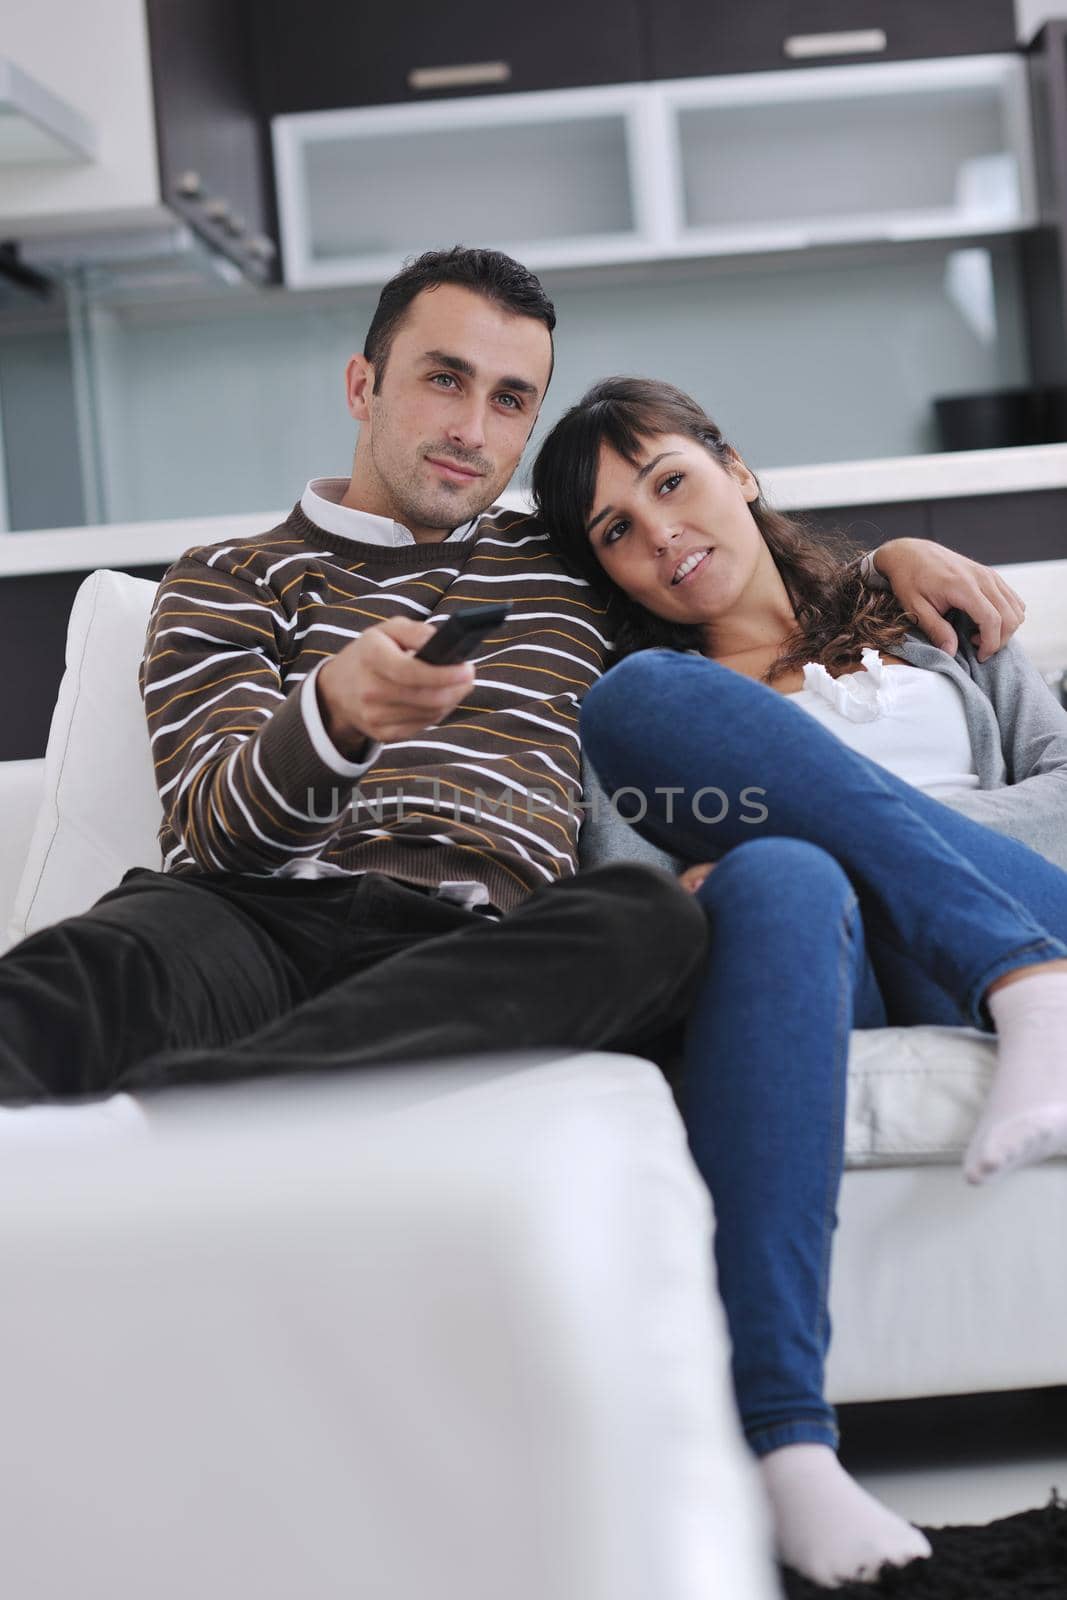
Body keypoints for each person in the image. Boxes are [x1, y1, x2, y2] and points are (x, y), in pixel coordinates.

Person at [0, 251, 1007, 1106]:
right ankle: (262, 1093)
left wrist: (880, 567)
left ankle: (213, 1101)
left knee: (648, 923)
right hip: (252, 915)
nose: (470, 429)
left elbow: (721, 585)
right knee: (78, 977)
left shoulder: (570, 562)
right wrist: (332, 717)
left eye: (508, 399)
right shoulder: (227, 576)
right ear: (363, 386)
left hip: (490, 937)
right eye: (443, 378)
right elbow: (221, 829)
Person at [531, 375, 1067, 1588]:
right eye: (615, 529)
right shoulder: (657, 726)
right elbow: (643, 897)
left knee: (795, 842)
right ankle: (785, 1450)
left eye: (669, 480)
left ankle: (1020, 966)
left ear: (738, 470)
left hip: (1038, 908)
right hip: (838, 969)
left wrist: (893, 828)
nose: (658, 531)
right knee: (767, 861)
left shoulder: (930, 618)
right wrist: (818, 837)